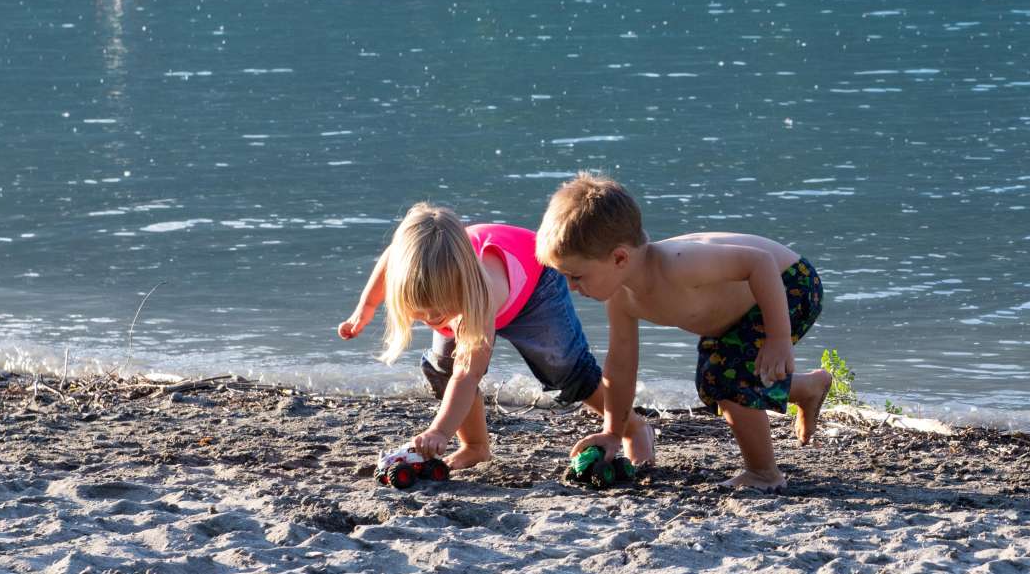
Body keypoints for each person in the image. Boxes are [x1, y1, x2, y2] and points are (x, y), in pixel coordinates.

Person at [536, 172, 829, 494]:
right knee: (716, 381)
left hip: (788, 286)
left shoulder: (678, 264)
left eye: (576, 276)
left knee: (729, 380)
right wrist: (613, 432)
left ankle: (764, 473)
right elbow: (620, 368)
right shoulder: (622, 298)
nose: (570, 287)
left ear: (619, 257)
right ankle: (806, 388)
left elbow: (760, 263)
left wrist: (778, 339)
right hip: (737, 317)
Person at [337, 202, 655, 470]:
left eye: (440, 308)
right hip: (473, 296)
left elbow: (468, 375)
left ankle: (632, 427)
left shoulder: (483, 293)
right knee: (441, 368)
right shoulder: (419, 267)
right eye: (421, 310)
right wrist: (365, 308)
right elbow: (392, 256)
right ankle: (475, 447)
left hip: (535, 287)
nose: (432, 318)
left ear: (461, 282)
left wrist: (439, 431)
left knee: (566, 370)